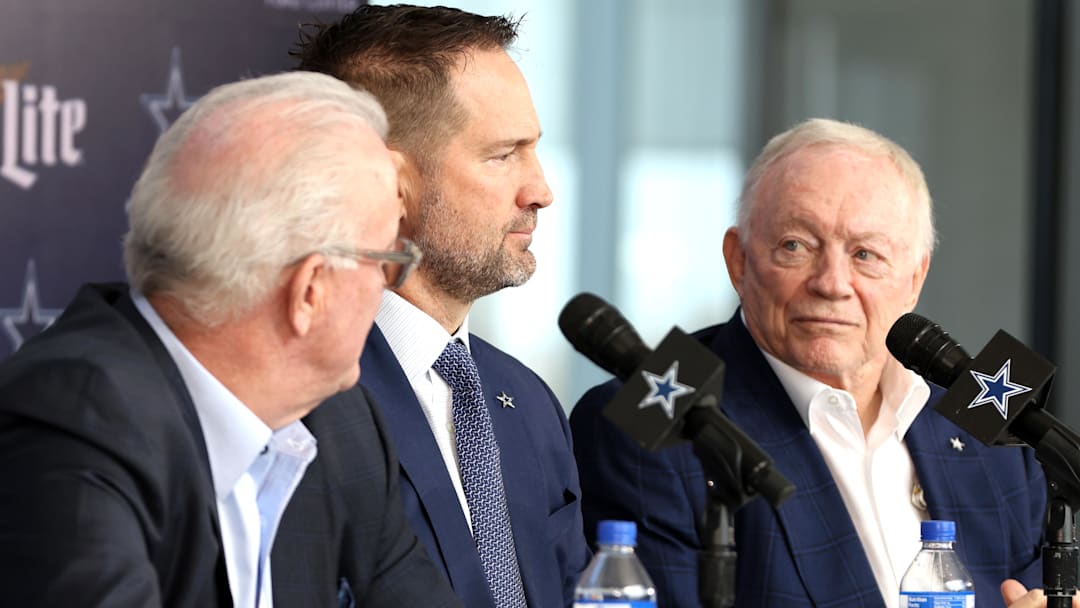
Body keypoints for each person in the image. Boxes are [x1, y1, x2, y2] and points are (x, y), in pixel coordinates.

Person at [0, 71, 460, 608]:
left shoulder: (345, 425)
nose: (389, 288)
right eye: (387, 261)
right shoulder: (75, 425)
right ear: (311, 290)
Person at [570, 118, 1051, 607]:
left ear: (914, 277)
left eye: (866, 254)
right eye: (795, 246)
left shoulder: (987, 426)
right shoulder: (646, 417)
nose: (832, 283)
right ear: (738, 260)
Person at [277, 5, 591, 608]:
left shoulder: (529, 402)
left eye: (534, 151)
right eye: (504, 154)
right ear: (390, 182)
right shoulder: (297, 402)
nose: (542, 190)